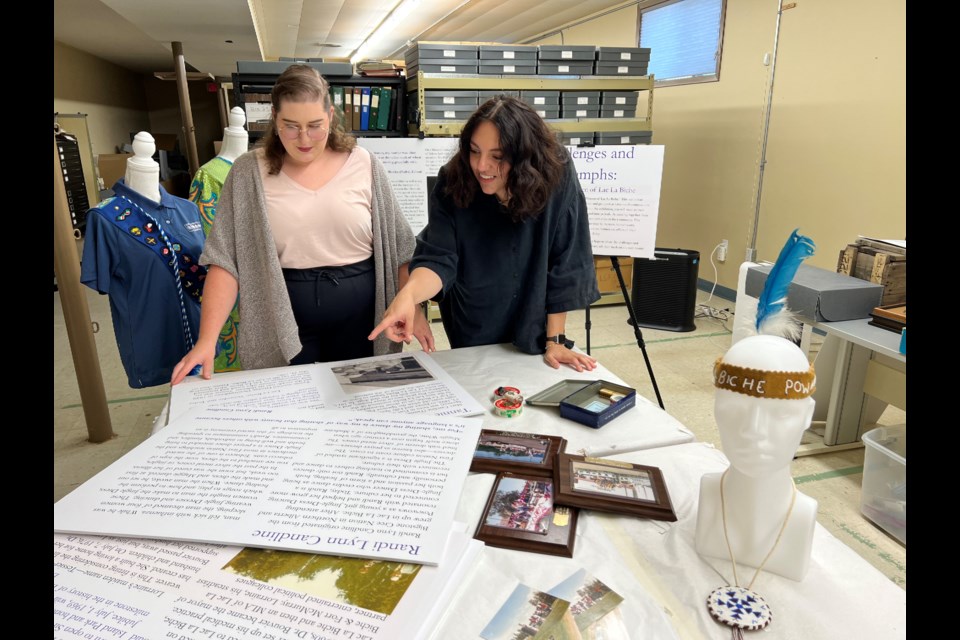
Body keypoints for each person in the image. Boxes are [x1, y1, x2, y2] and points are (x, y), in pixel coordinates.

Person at [171, 64, 432, 384]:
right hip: (282, 318)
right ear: (274, 119)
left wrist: (414, 308)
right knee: (289, 406)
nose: (304, 138)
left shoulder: (364, 163)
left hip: (363, 318)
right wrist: (206, 341)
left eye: (315, 125)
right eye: (290, 126)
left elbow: (400, 250)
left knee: (363, 404)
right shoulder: (247, 172)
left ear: (331, 116)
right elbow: (225, 262)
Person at [369, 96, 599, 371]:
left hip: (532, 308)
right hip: (474, 313)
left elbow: (566, 258)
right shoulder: (454, 181)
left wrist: (556, 339)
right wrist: (409, 296)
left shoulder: (556, 172)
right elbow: (438, 260)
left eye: (497, 156)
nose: (481, 166)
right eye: (474, 150)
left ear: (526, 156)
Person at [81, 131, 207, 388]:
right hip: (151, 347)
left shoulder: (188, 209)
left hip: (200, 337)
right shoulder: (105, 219)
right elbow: (103, 284)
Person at [695, 334, 818, 581]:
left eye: (781, 414)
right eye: (735, 409)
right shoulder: (709, 494)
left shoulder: (803, 516)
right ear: (716, 408)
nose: (754, 430)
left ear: (807, 415)